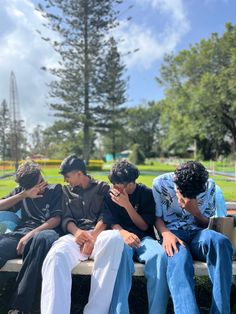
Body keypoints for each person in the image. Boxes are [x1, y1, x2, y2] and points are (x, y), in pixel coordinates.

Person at [40, 154, 124, 314]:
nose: (65, 180)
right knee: (56, 255)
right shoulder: (65, 191)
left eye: (67, 176)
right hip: (74, 235)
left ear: (79, 173)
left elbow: (106, 215)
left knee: (114, 238)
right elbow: (65, 216)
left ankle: (96, 311)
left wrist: (92, 238)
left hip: (100, 237)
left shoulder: (102, 188)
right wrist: (78, 233)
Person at [153, 160, 233, 314]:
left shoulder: (209, 185)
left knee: (221, 242)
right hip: (173, 234)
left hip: (199, 234)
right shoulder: (160, 184)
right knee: (179, 258)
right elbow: (157, 217)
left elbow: (207, 224)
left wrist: (195, 211)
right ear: (176, 181)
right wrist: (165, 234)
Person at [104, 160, 169, 314]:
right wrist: (124, 233)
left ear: (130, 184)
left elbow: (144, 226)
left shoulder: (145, 193)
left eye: (119, 185)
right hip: (121, 238)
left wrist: (127, 204)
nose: (116, 188)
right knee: (120, 260)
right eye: (114, 184)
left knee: (159, 257)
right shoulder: (111, 195)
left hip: (144, 239)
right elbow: (112, 222)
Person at [0, 161, 62, 314]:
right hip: (20, 234)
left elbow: (56, 219)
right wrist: (24, 194)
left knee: (38, 242)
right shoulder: (22, 192)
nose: (42, 183)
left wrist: (30, 235)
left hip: (46, 232)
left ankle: (18, 307)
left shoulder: (54, 189)